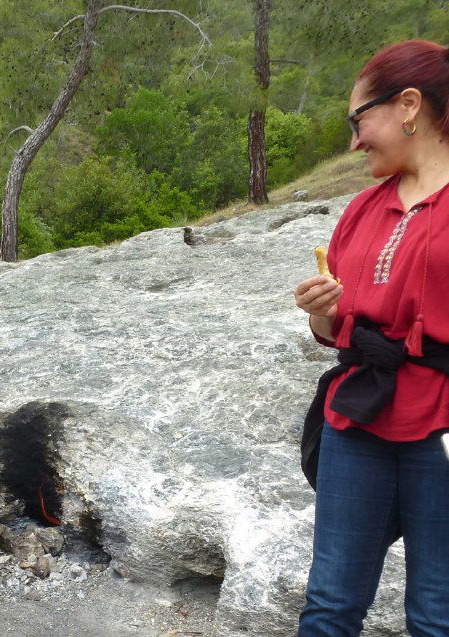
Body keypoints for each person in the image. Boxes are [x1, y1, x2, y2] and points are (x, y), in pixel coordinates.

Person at [294, 40, 449, 635]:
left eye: (359, 120)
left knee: (438, 614)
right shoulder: (362, 209)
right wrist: (322, 315)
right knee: (330, 605)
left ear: (408, 105)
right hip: (358, 419)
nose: (354, 142)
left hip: (442, 427)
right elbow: (337, 332)